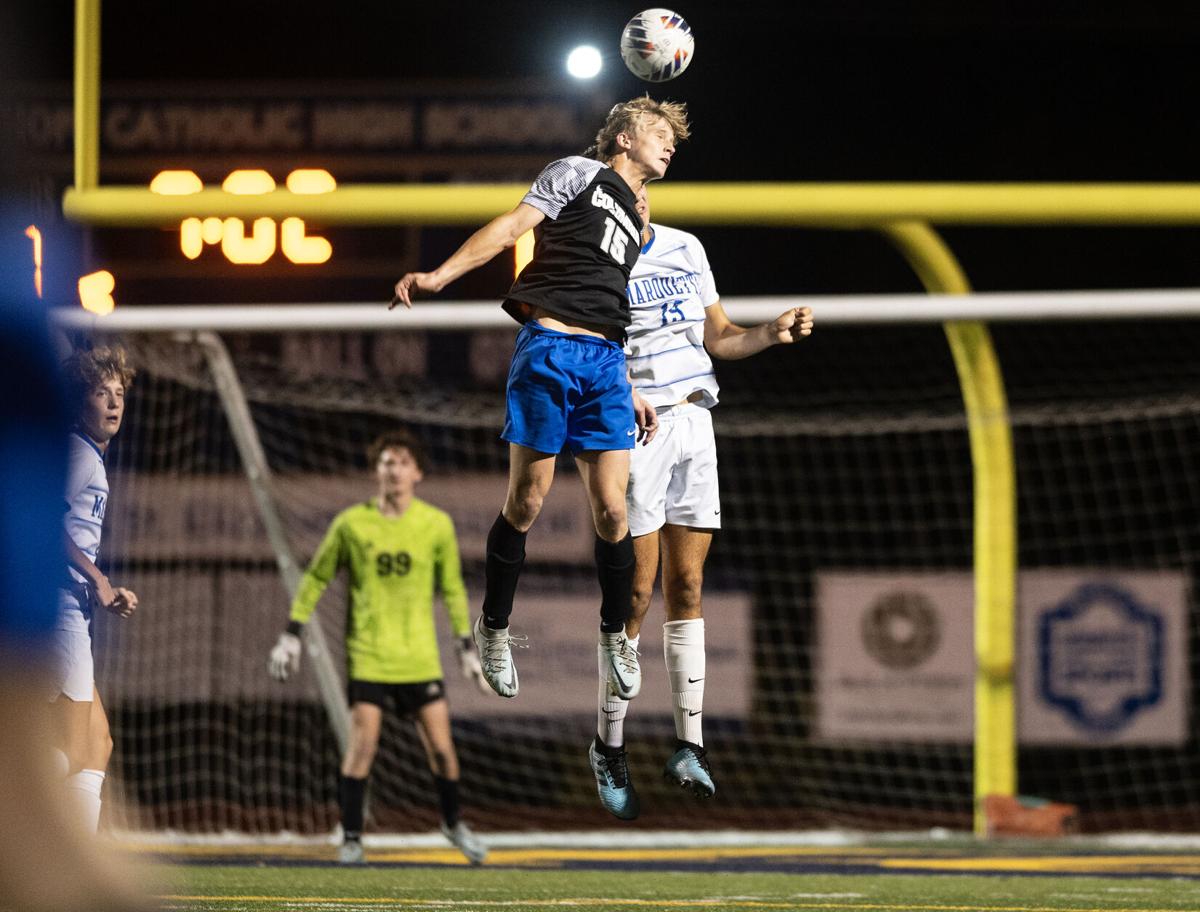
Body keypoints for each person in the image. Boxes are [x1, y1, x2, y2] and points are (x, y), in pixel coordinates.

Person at [391, 97, 690, 806]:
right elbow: (509, 228)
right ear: (622, 136)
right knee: (525, 501)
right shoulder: (577, 173)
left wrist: (630, 381)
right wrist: (438, 276)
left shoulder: (642, 214)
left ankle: (616, 636)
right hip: (550, 349)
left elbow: (618, 299)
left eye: (673, 139)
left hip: (607, 365)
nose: (669, 146)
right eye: (657, 133)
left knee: (615, 513)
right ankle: (494, 629)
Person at [589, 188, 814, 819]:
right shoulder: (595, 260)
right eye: (623, 191)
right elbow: (585, 347)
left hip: (695, 421)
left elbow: (720, 336)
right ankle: (609, 744)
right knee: (633, 595)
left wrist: (768, 333)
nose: (637, 201)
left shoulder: (687, 248)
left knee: (687, 585)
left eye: (642, 192)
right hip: (638, 428)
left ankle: (690, 746)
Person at [268, 429, 492, 865]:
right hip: (369, 656)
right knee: (362, 747)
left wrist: (466, 647)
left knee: (443, 751)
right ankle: (351, 836)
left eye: (403, 462)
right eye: (387, 461)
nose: (394, 469)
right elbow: (315, 577)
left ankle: (452, 823)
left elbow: (451, 589)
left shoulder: (435, 525)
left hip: (419, 658)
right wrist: (291, 634)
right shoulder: (352, 524)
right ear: (376, 471)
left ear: (419, 473)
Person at [52, 345, 140, 836]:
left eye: (119, 393)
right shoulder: (78, 454)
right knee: (74, 748)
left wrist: (99, 586)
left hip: (74, 612)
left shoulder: (88, 458)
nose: (112, 402)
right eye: (100, 392)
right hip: (61, 614)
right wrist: (99, 579)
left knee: (98, 743)